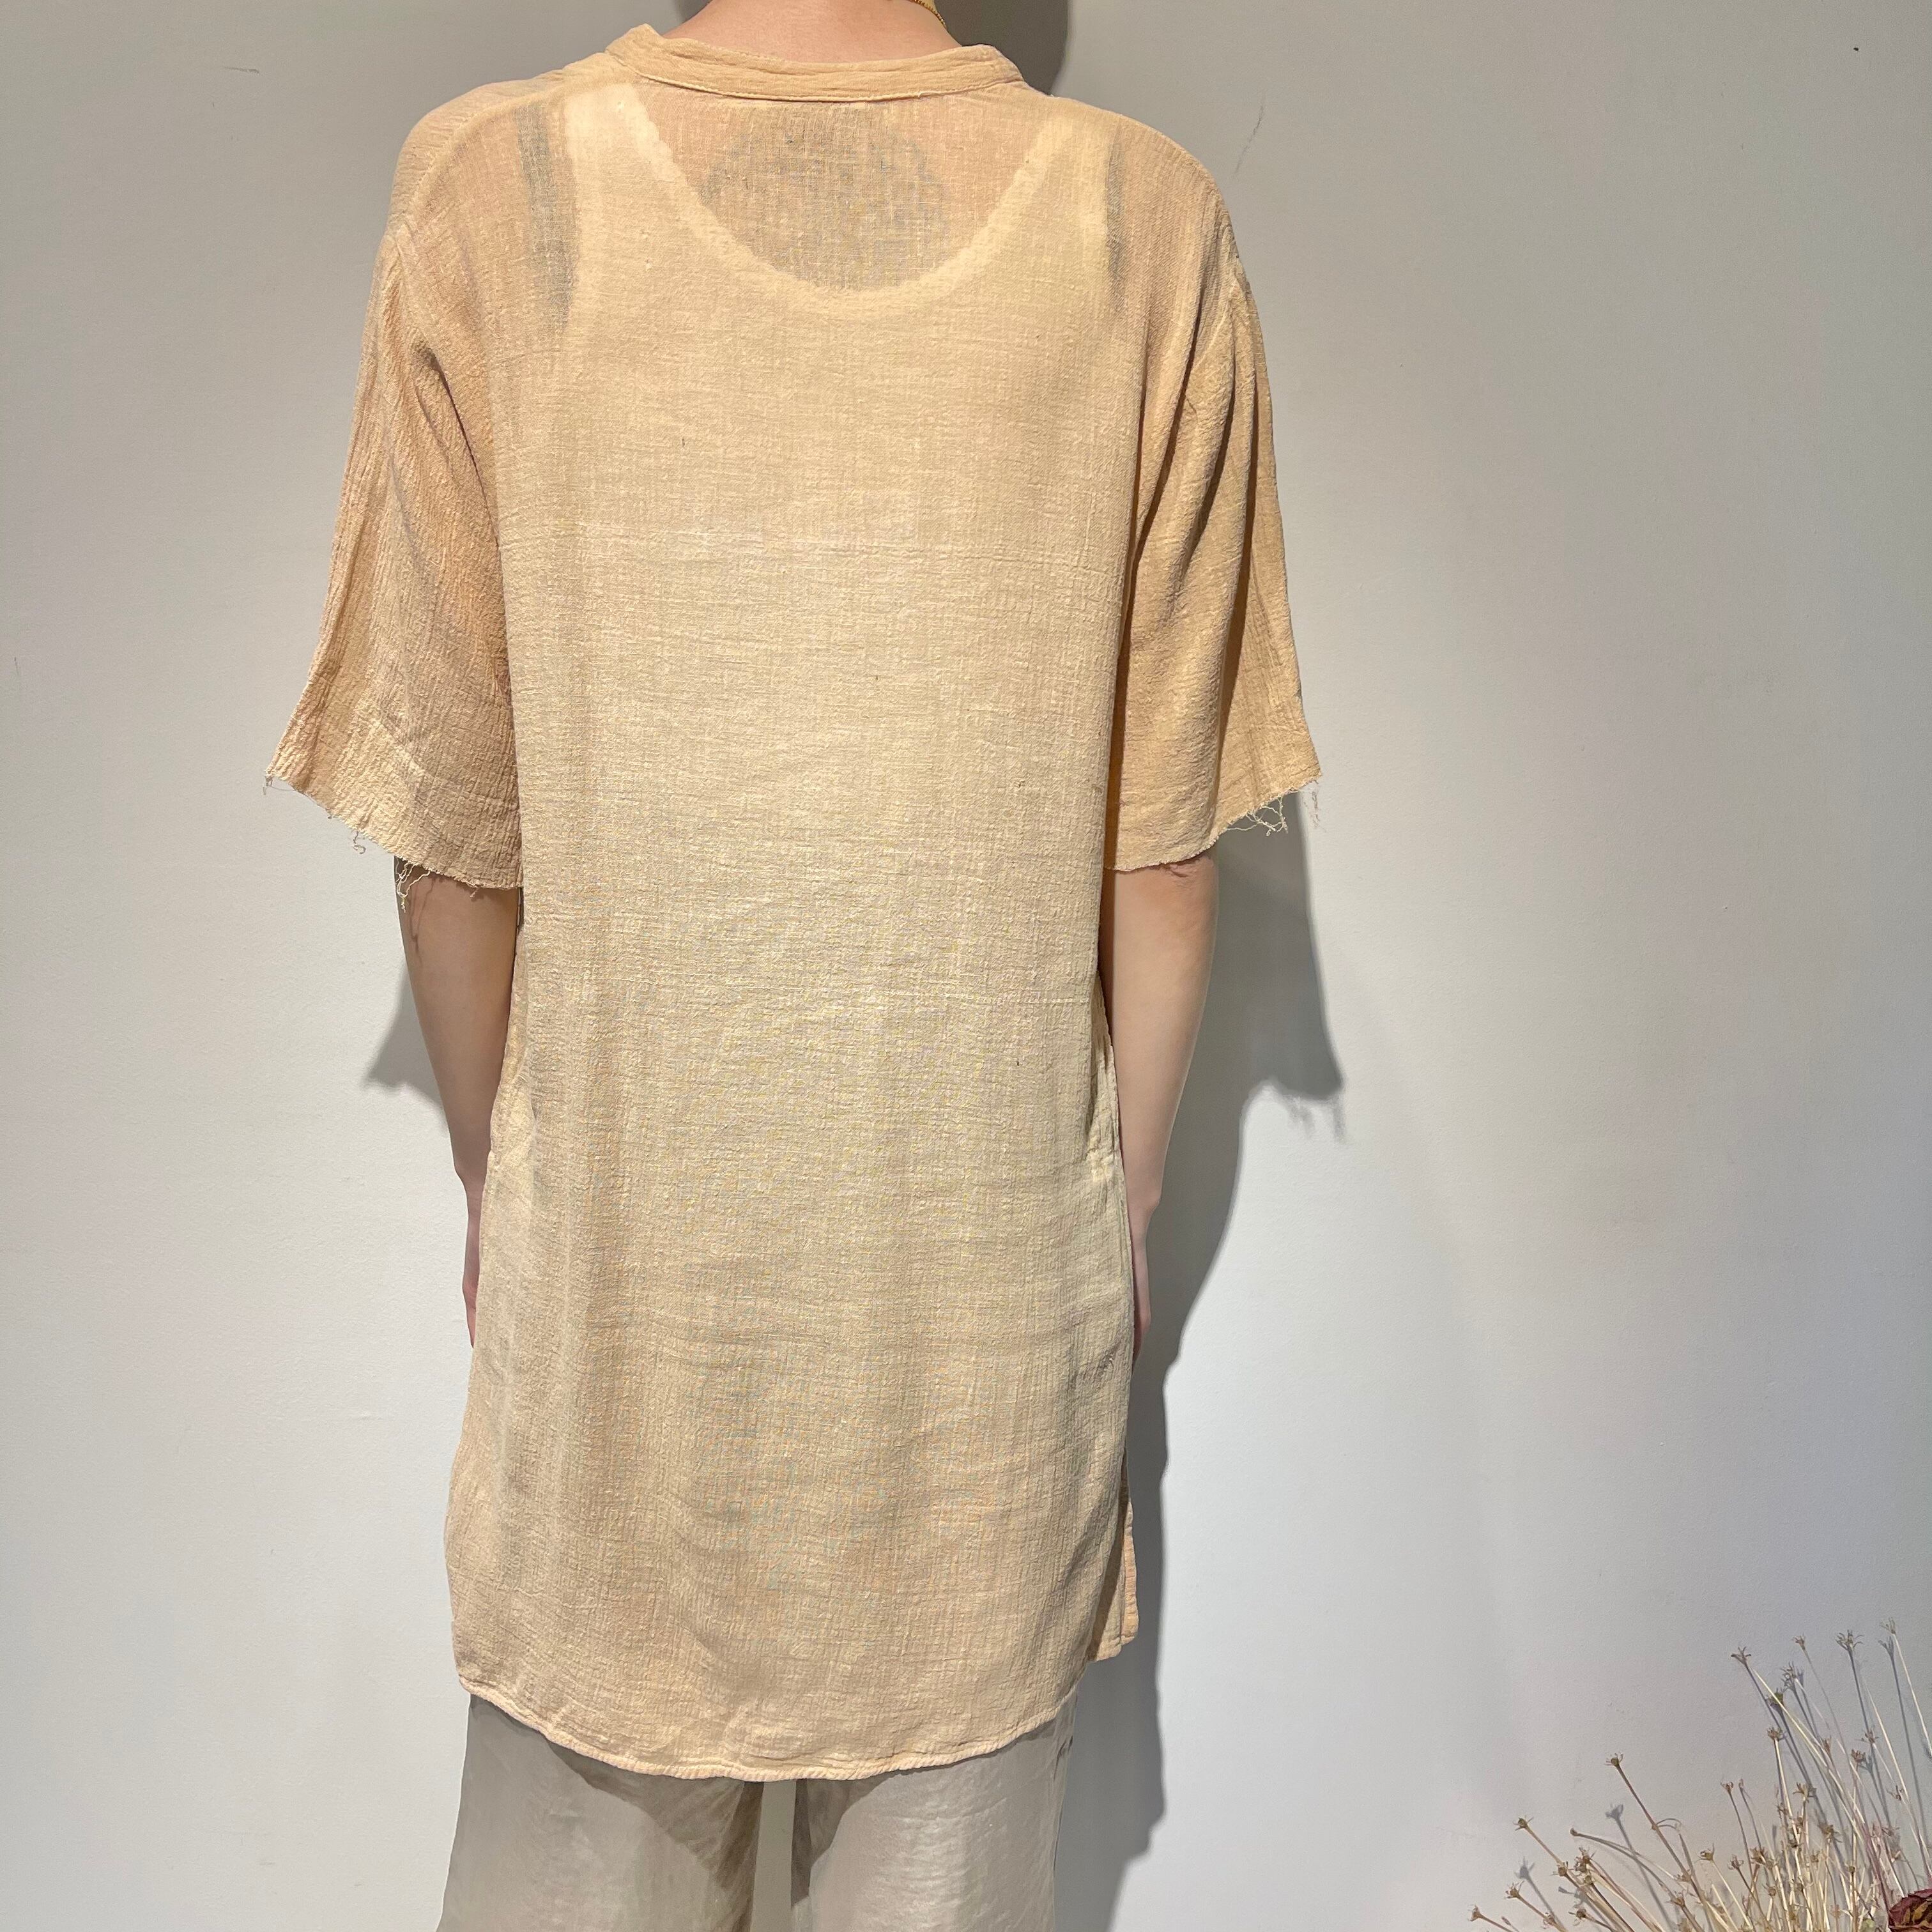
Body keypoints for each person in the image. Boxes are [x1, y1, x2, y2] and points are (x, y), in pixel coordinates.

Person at [264, 0, 1320, 1924]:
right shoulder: (1137, 222)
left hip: (621, 1349)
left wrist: (507, 1184)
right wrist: (1117, 1208)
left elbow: (454, 845)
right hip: (980, 1366)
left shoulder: (505, 188)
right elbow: (1162, 857)